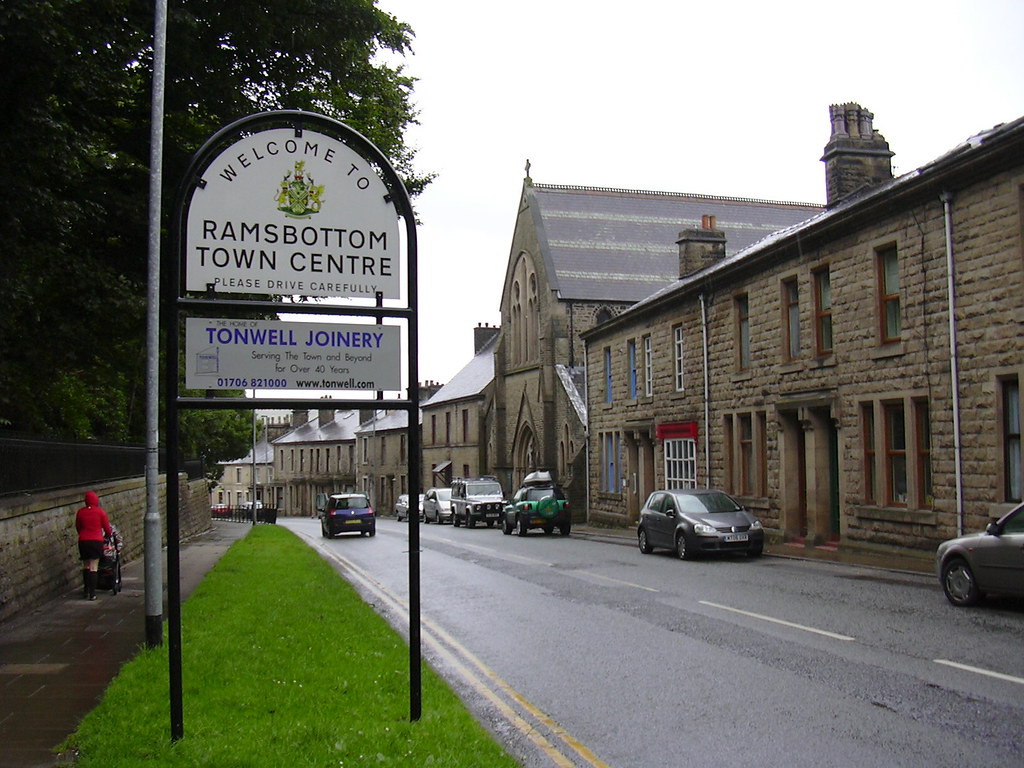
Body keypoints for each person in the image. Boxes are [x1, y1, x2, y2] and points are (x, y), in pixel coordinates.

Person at [76, 491, 113, 600]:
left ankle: (86, 590)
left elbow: (78, 526)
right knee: (93, 567)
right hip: (96, 541)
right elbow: (107, 528)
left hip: (83, 541)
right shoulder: (100, 512)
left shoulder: (80, 512)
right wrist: (108, 535)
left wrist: (83, 534)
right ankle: (92, 594)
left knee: (86, 565)